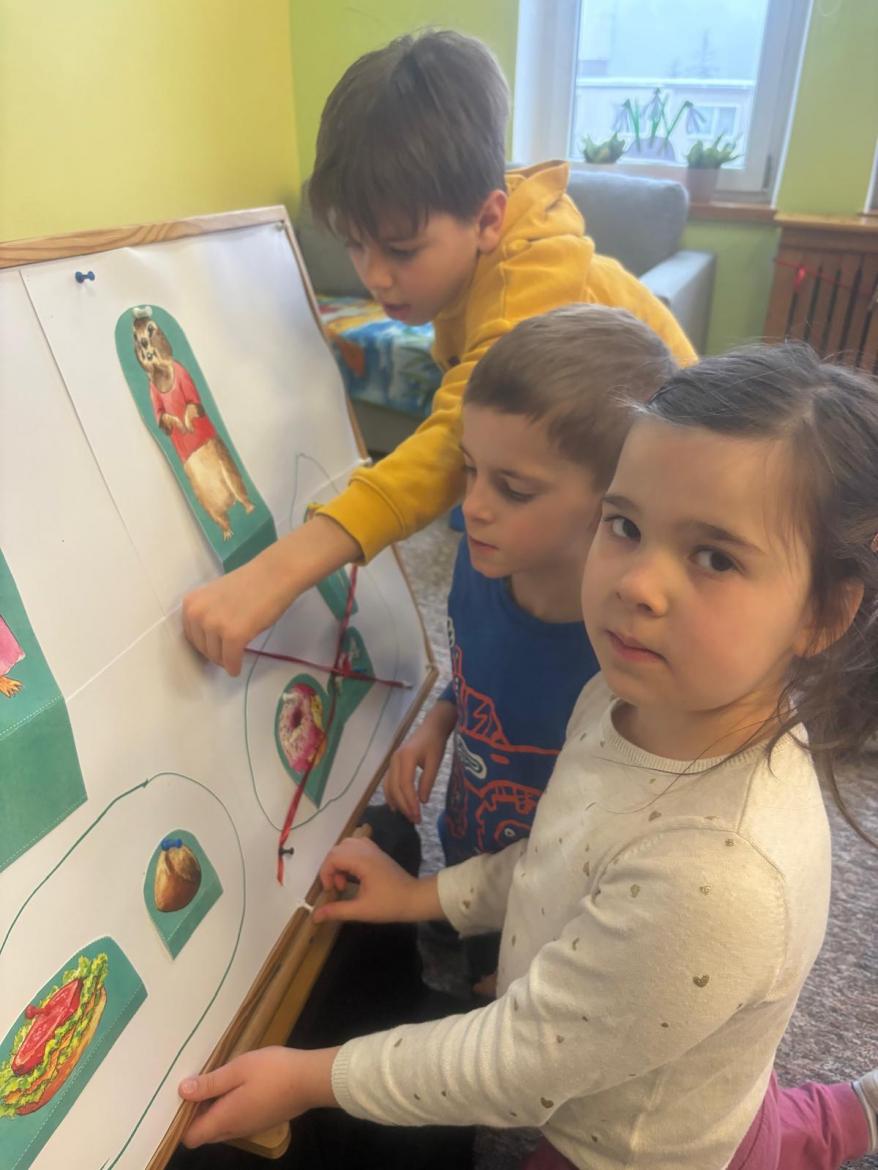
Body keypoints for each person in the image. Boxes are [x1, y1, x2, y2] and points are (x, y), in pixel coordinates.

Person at [179, 342, 878, 1169]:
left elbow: (517, 1066)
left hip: (631, 1150)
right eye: (625, 525)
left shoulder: (717, 877)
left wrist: (309, 1078)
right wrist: (418, 897)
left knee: (733, 1135)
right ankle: (851, 1113)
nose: (636, 584)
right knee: (748, 1103)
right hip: (656, 1046)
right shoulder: (623, 693)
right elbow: (562, 854)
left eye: (715, 557)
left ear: (822, 613)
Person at [181, 28, 696, 676]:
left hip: (673, 494)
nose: (375, 276)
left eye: (401, 250)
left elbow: (451, 439)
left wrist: (278, 571)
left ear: (488, 219)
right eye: (355, 245)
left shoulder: (525, 287)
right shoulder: (473, 268)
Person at [382, 305, 676, 990]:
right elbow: (473, 665)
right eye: (469, 470)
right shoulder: (480, 558)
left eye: (512, 489)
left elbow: (607, 848)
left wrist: (532, 959)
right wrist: (438, 722)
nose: (473, 508)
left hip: (548, 906)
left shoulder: (623, 655)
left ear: (614, 505)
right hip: (465, 846)